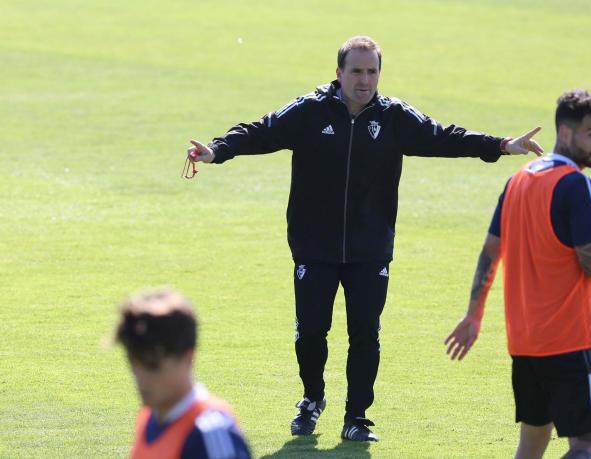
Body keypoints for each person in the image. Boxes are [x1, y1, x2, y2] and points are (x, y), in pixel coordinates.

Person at [188, 35, 543, 442]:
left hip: (370, 248)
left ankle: (356, 417)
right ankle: (312, 398)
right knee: (311, 332)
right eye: (356, 71)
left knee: (365, 333)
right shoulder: (308, 112)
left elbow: (444, 136)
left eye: (371, 71)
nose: (364, 79)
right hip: (314, 245)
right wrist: (217, 150)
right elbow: (260, 132)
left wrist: (500, 145)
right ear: (338, 73)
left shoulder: (393, 118)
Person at [444, 89, 591, 458]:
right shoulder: (579, 185)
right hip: (571, 343)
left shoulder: (518, 180)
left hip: (525, 344)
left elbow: (489, 252)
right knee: (589, 443)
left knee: (531, 445)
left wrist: (474, 314)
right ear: (565, 133)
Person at [115, 289, 252, 459]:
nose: (141, 378)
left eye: (153, 366)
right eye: (134, 363)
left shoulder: (208, 435)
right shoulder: (148, 418)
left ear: (187, 358)